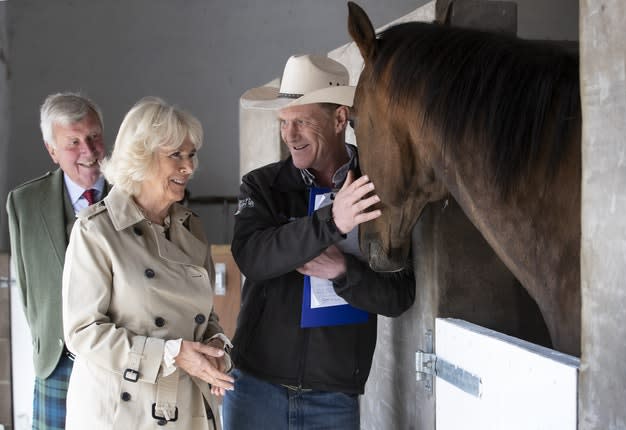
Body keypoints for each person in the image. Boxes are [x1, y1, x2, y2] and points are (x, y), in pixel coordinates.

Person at [224, 55, 416, 429]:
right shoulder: (262, 186)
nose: (289, 134)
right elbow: (253, 258)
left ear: (340, 119)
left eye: (302, 122)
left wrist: (344, 272)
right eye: (283, 122)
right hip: (254, 388)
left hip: (334, 398)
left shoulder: (379, 191)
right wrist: (331, 221)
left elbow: (399, 296)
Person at [60, 97, 234, 430]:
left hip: (186, 407)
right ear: (141, 157)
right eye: (176, 156)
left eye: (191, 154)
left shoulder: (190, 226)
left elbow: (205, 315)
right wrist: (169, 354)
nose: (189, 167)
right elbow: (83, 333)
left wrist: (215, 347)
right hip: (122, 412)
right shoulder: (96, 229)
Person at [6, 92, 107, 430]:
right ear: (51, 150)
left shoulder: (135, 193)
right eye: (73, 142)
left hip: (120, 359)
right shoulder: (24, 203)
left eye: (94, 137)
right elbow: (29, 287)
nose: (88, 152)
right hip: (57, 359)